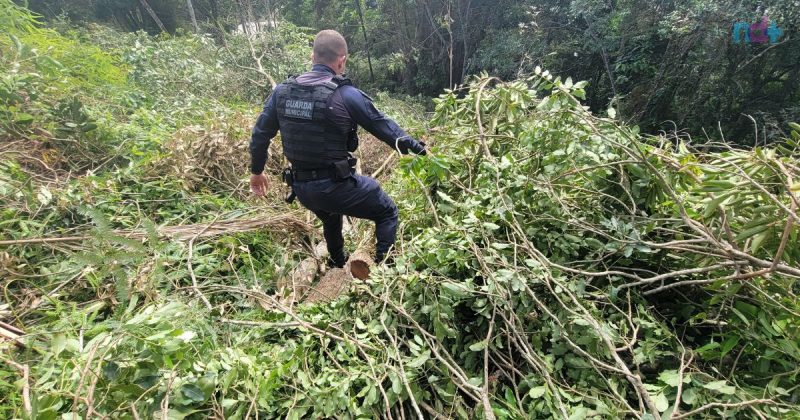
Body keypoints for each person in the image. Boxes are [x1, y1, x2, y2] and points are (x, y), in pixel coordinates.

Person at [249, 29, 427, 267]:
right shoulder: (345, 95)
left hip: (303, 190)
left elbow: (260, 134)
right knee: (387, 212)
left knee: (331, 215)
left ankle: (337, 261)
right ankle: (386, 270)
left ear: (313, 57)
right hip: (333, 187)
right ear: (342, 60)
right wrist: (421, 151)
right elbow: (386, 129)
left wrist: (257, 171)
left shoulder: (281, 92)